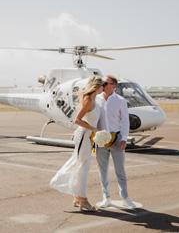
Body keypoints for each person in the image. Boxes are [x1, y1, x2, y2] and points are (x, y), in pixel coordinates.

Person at [50, 76, 104, 212]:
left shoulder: (94, 100)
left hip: (87, 136)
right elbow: (77, 120)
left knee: (82, 166)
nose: (105, 87)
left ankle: (77, 197)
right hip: (83, 135)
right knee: (82, 167)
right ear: (98, 87)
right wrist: (93, 129)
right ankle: (83, 200)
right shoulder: (89, 100)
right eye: (103, 84)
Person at [95, 75, 136, 209]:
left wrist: (124, 138)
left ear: (113, 86)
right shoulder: (96, 99)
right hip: (101, 140)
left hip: (117, 139)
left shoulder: (120, 101)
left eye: (105, 82)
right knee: (103, 171)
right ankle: (106, 197)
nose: (102, 84)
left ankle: (125, 197)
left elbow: (125, 120)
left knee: (120, 170)